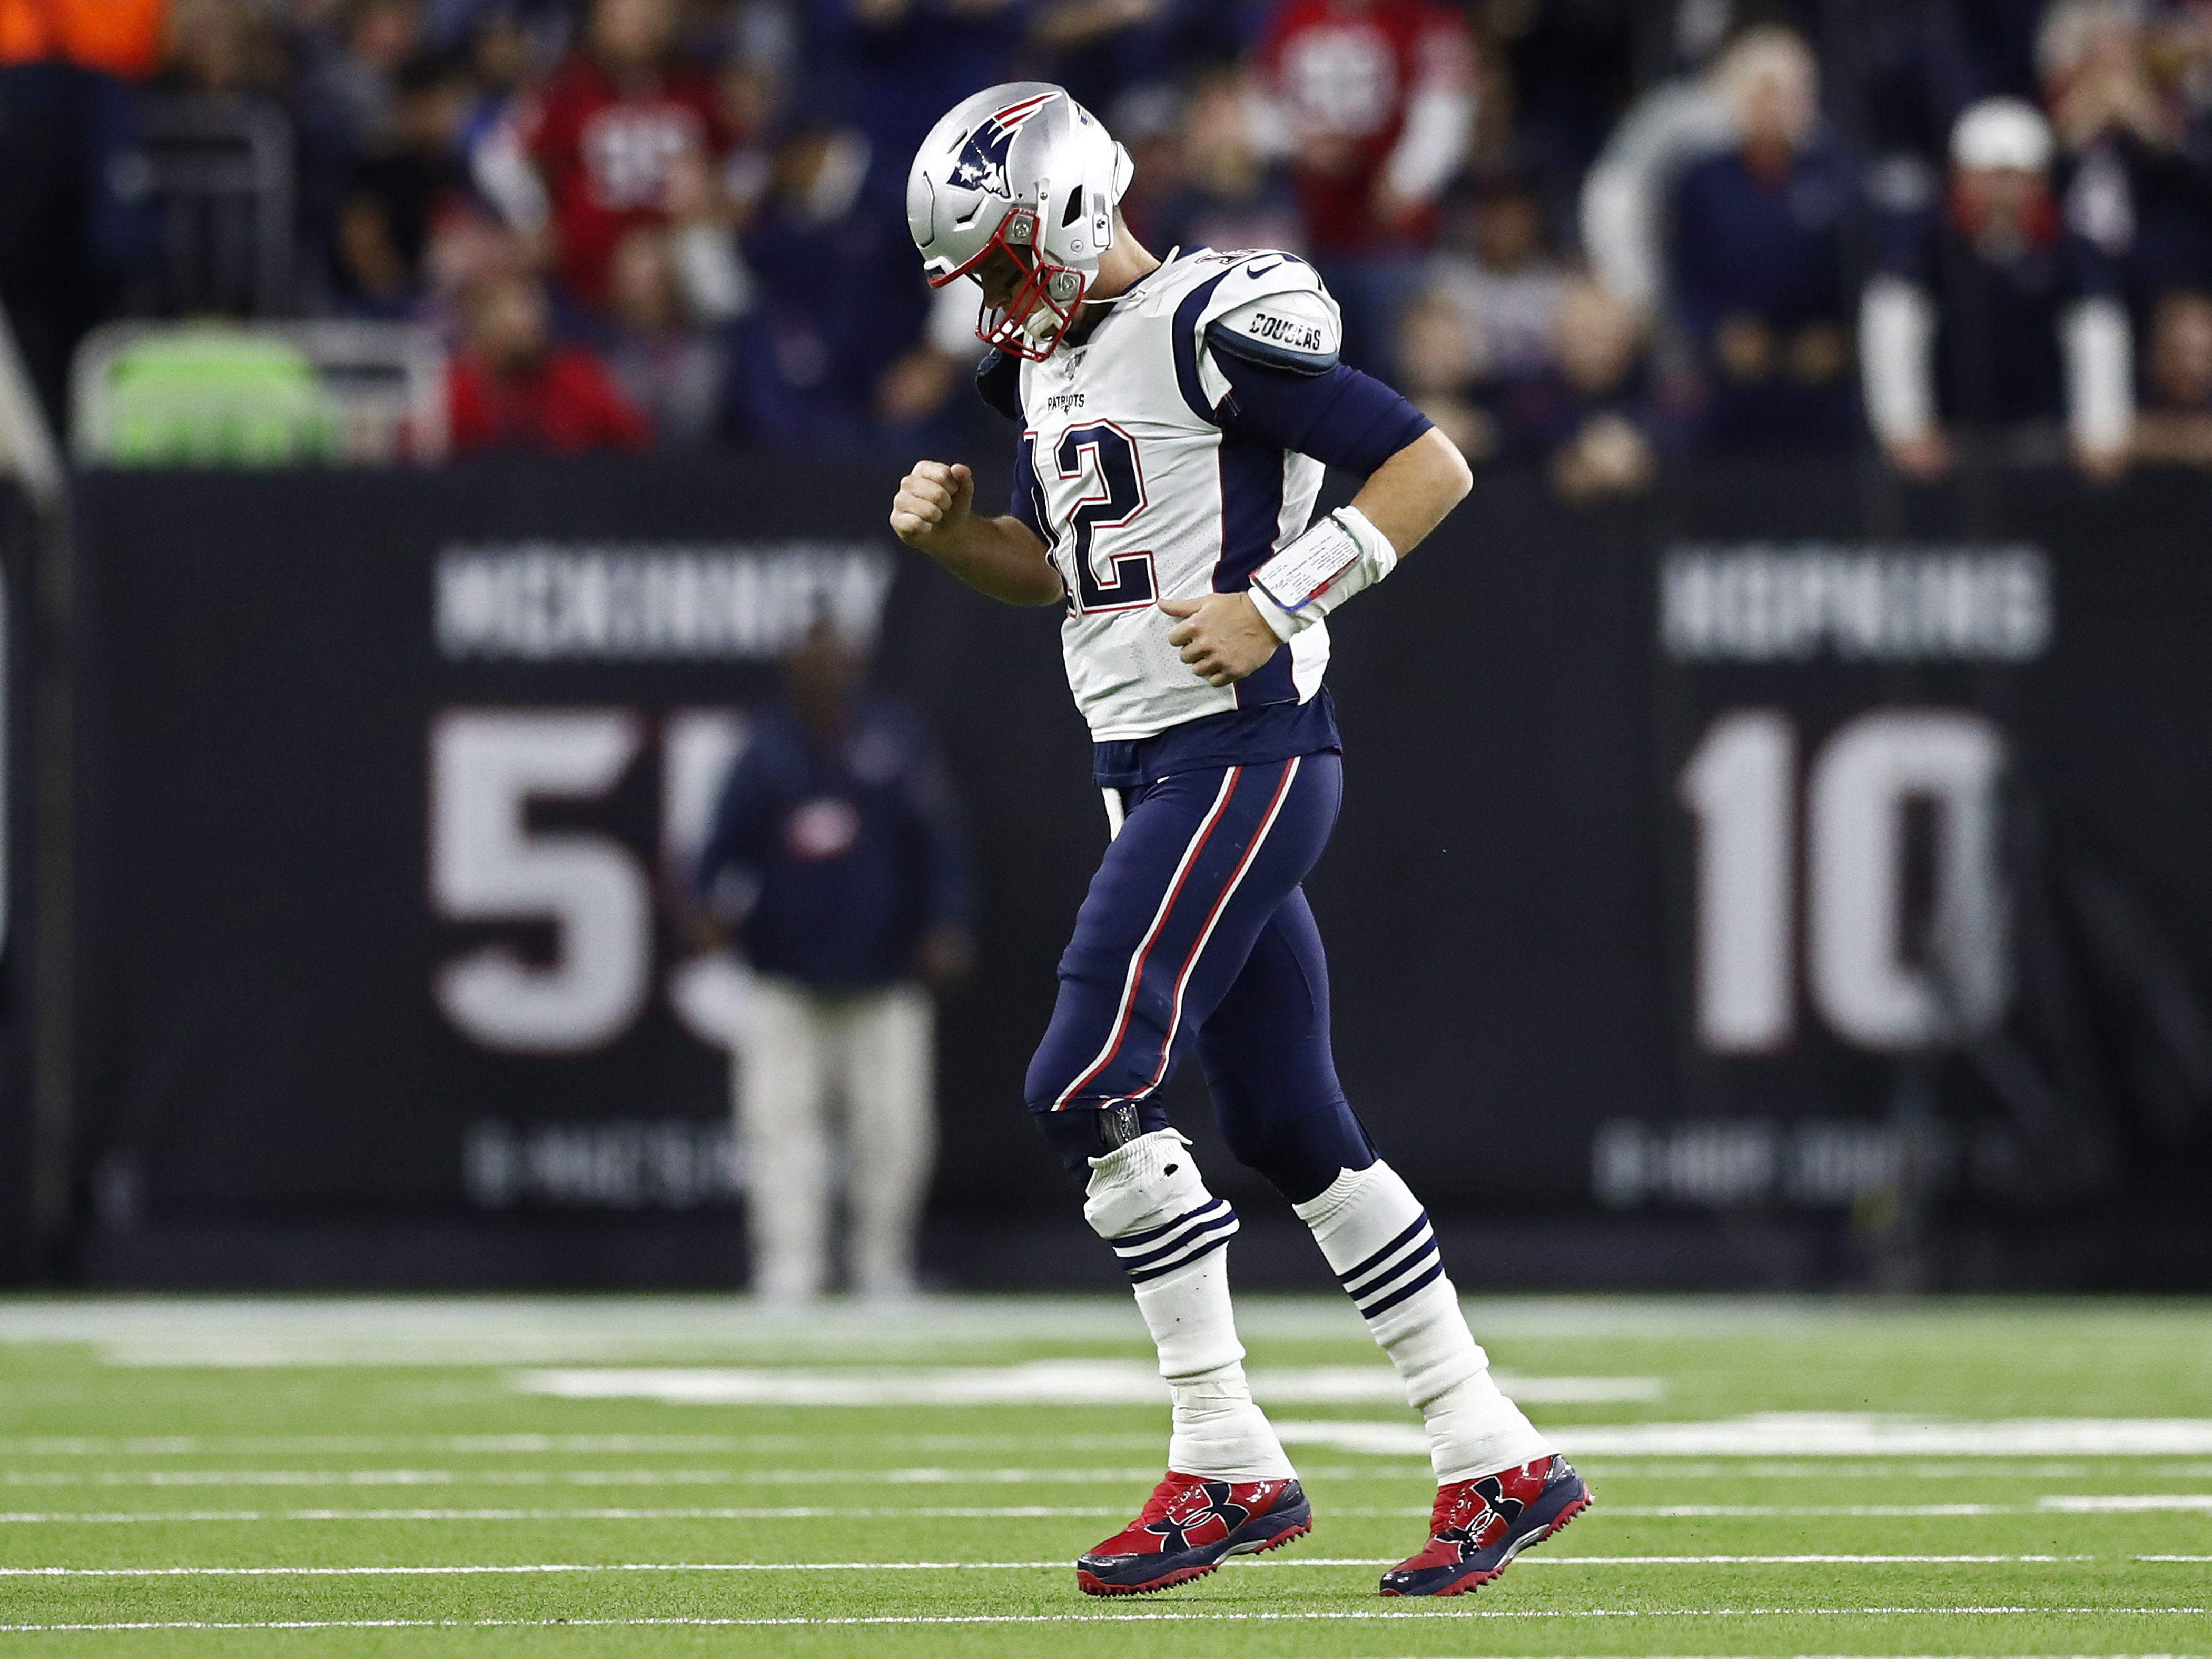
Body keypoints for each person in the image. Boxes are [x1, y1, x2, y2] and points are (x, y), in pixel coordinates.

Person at [890, 81, 1589, 1601]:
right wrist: (961, 543)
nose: (997, 302)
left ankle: (1225, 1454)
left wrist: (1283, 595)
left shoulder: (1211, 316)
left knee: (1085, 1073)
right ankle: (1496, 1448)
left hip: (1244, 750)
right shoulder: (1048, 365)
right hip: (1150, 767)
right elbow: (1071, 570)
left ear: (1072, 209)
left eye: (1005, 263)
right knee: (1288, 1119)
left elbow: (1427, 463)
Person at [695, 619, 974, 1302]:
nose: (828, 672)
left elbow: (937, 842)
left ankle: (883, 1265)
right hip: (784, 972)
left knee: (893, 1129)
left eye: (838, 660)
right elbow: (722, 846)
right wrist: (708, 907)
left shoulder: (894, 739)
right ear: (793, 667)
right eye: (814, 660)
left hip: (883, 971)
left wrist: (946, 922)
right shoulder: (764, 748)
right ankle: (790, 1266)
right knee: (779, 1126)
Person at [1860, 96, 2132, 480]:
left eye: (2017, 178)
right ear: (1961, 177)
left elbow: (2097, 329)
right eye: (1989, 177)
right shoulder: (1927, 241)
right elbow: (1894, 322)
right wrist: (1905, 427)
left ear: (2040, 181)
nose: (2002, 192)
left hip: (2042, 439)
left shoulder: (2068, 247)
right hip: (1948, 444)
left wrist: (2101, 429)